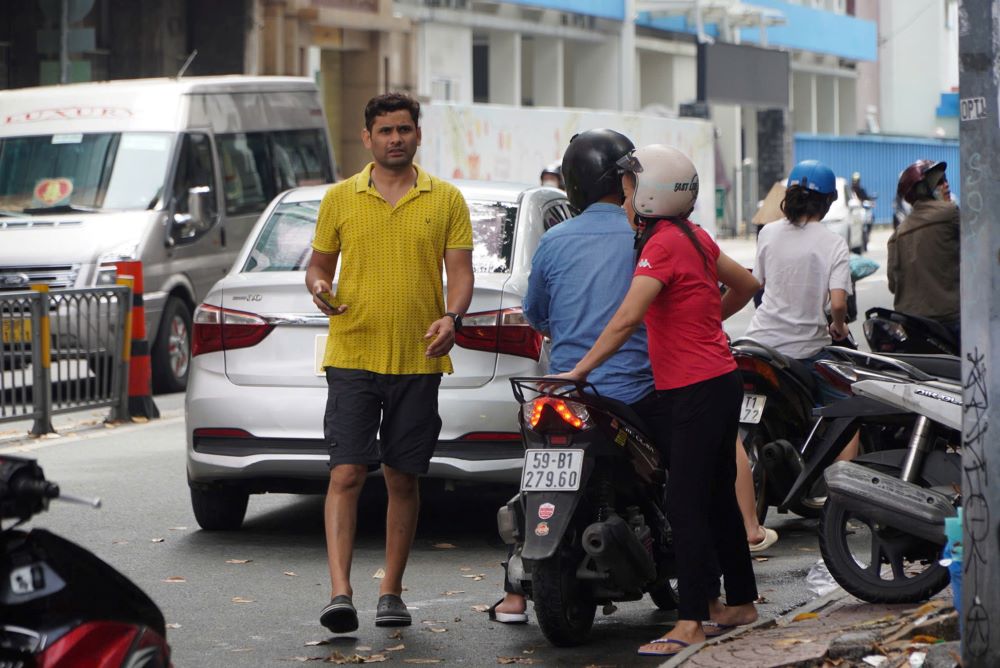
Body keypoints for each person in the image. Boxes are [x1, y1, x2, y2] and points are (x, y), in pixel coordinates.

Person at [547, 144, 761, 657]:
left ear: (649, 195)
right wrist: (705, 321)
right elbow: (748, 284)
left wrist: (579, 369)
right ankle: (741, 602)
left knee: (684, 501)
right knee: (713, 494)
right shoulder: (695, 235)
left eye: (627, 187)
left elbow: (624, 319)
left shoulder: (661, 245)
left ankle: (690, 621)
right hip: (719, 380)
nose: (623, 196)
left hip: (694, 389)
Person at [305, 92, 474, 634]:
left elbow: (461, 272)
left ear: (418, 135)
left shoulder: (445, 199)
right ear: (368, 138)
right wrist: (318, 287)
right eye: (385, 131)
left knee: (403, 477)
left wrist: (452, 317)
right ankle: (340, 593)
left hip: (418, 360)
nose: (395, 138)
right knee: (347, 471)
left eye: (404, 129)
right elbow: (318, 267)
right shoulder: (340, 198)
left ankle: (391, 591)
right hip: (352, 354)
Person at [491, 128, 654, 624]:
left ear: (574, 184)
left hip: (565, 393)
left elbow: (538, 317)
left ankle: (514, 590)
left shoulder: (554, 240)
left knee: (534, 471)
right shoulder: (645, 237)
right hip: (636, 395)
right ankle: (710, 588)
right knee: (689, 475)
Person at [742, 159, 860, 459]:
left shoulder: (767, 232)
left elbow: (755, 284)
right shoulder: (834, 243)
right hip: (803, 354)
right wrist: (839, 325)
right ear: (829, 201)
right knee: (850, 414)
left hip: (757, 346)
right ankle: (838, 494)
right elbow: (838, 303)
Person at [887, 159, 960, 340]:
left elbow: (893, 285)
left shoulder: (896, 236)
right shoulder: (950, 213)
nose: (947, 185)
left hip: (910, 324)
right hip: (950, 321)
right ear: (921, 189)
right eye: (939, 181)